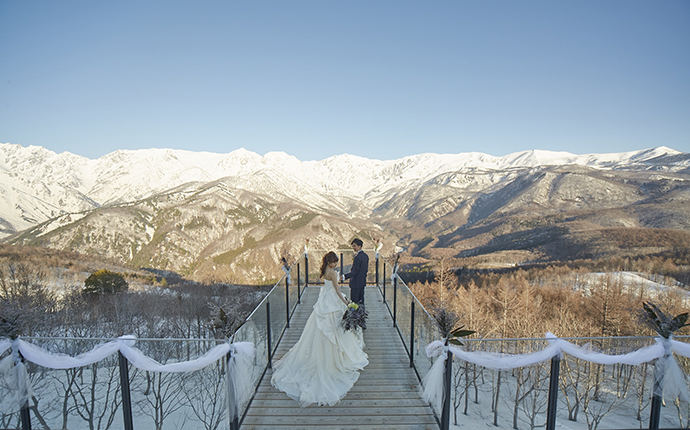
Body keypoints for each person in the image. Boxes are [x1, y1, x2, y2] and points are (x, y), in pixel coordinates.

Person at [271, 251, 368, 407]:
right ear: (329, 262)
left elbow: (328, 287)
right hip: (333, 302)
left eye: (336, 262)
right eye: (333, 262)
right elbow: (337, 291)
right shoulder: (334, 274)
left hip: (324, 302)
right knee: (334, 330)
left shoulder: (324, 271)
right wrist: (348, 303)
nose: (335, 265)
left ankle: (323, 355)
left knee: (323, 330)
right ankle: (334, 360)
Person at [342, 238, 369, 306]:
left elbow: (355, 272)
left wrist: (344, 276)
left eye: (354, 246)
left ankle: (355, 315)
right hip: (362, 282)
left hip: (356, 283)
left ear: (359, 246)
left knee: (354, 302)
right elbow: (365, 270)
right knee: (361, 300)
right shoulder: (365, 256)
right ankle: (361, 314)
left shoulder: (357, 257)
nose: (353, 248)